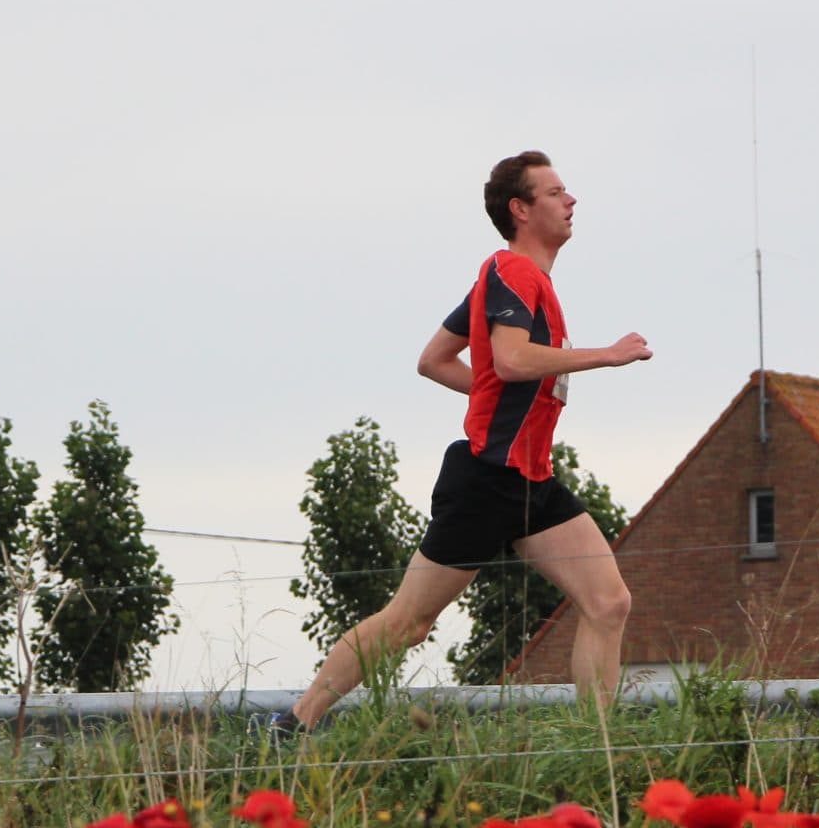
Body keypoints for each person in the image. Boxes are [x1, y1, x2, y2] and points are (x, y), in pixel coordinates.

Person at [273, 151, 650, 735]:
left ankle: (596, 745)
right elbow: (512, 359)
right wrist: (607, 354)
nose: (571, 200)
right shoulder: (509, 271)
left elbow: (435, 360)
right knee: (408, 623)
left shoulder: (523, 282)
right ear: (520, 209)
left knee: (609, 602)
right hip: (486, 478)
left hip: (532, 481)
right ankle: (294, 724)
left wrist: (494, 395)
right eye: (555, 192)